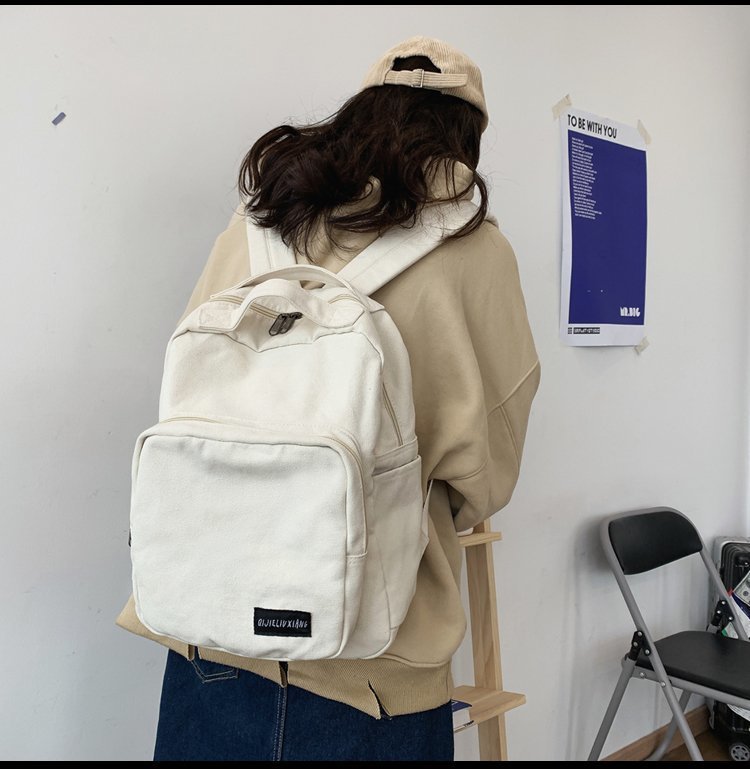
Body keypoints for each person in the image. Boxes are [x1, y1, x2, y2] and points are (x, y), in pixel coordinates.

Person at [117, 36, 540, 762]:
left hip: (209, 625)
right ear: (466, 137)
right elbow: (486, 475)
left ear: (359, 113)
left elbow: (187, 394)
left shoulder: (258, 222)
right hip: (375, 665)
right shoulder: (476, 249)